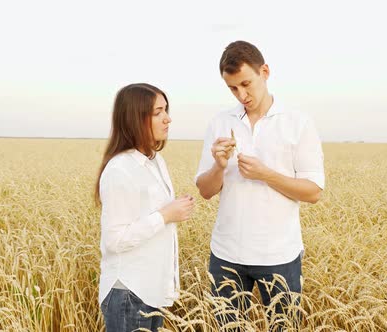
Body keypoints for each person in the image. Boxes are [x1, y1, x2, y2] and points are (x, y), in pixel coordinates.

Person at [195, 41, 325, 330]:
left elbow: (314, 192)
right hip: (226, 254)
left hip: (279, 255)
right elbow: (205, 191)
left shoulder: (297, 123)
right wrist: (218, 165)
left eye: (246, 83)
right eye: (232, 88)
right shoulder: (220, 122)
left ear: (264, 72)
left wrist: (267, 174)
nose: (242, 95)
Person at [95, 83, 195, 332]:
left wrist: (172, 210)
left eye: (166, 110)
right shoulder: (120, 169)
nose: (168, 119)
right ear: (136, 118)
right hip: (129, 293)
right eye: (158, 112)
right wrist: (165, 215)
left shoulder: (155, 161)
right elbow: (114, 240)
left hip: (151, 290)